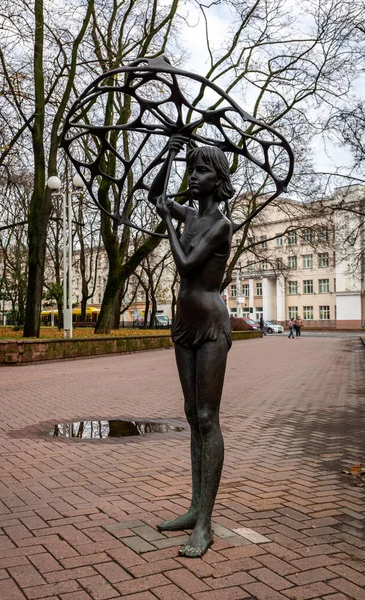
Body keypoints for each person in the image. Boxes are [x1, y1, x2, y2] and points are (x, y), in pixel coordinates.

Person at [149, 136, 235, 558]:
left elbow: (185, 263)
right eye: (191, 168)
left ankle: (205, 522)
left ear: (217, 179)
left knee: (206, 416)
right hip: (184, 324)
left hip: (211, 323)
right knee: (189, 414)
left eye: (200, 170)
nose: (192, 175)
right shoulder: (188, 213)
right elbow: (155, 195)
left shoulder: (221, 224)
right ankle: (193, 507)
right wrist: (167, 153)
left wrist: (168, 220)